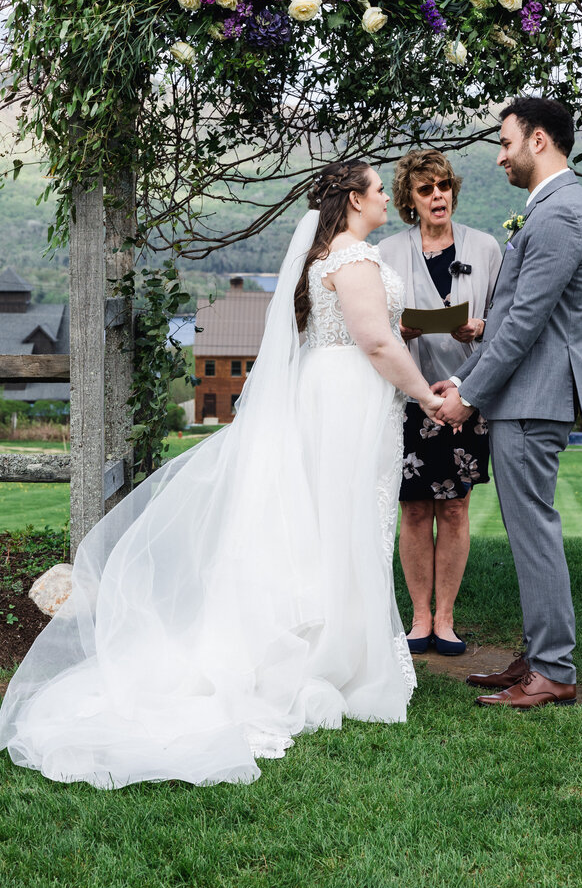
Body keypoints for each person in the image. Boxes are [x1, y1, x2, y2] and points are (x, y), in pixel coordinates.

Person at [0, 161, 444, 788]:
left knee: (328, 518)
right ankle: (342, 658)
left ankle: (339, 643)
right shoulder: (356, 260)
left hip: (329, 390)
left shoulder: (327, 261)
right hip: (347, 397)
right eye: (378, 190)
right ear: (354, 199)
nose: (385, 199)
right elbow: (375, 341)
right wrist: (428, 395)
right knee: (345, 517)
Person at [435, 97, 582, 709]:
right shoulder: (551, 210)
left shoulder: (559, 216)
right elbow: (507, 318)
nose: (499, 156)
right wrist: (465, 380)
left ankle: (554, 670)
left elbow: (525, 324)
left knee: (533, 531)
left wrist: (469, 395)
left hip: (535, 400)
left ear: (537, 141)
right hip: (527, 396)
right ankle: (538, 656)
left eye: (505, 143)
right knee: (528, 528)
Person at [380, 150, 501, 656]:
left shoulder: (487, 247)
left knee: (453, 509)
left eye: (444, 186)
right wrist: (398, 328)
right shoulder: (386, 253)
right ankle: (419, 617)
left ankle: (447, 619)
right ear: (410, 199)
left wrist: (479, 327)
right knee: (412, 511)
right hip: (409, 398)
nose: (438, 196)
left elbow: (508, 322)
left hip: (465, 395)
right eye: (426, 189)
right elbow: (369, 327)